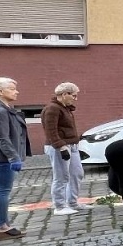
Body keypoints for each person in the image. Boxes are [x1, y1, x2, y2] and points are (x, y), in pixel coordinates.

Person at [0, 77, 28, 239]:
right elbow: (2, 138)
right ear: (0, 91)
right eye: (12, 88)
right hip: (2, 158)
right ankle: (2, 226)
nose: (16, 91)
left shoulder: (4, 108)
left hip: (3, 157)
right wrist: (13, 158)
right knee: (2, 191)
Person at [40, 82, 83, 217]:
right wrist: (60, 146)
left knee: (77, 173)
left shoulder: (66, 108)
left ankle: (72, 202)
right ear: (65, 94)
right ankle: (59, 206)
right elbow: (50, 130)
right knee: (61, 176)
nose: (75, 99)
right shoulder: (53, 109)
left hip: (72, 146)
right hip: (60, 147)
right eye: (74, 96)